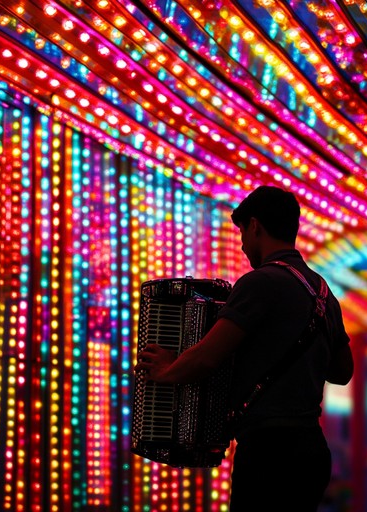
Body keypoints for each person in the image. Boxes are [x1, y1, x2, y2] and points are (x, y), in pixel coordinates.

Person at [135, 185, 354, 511]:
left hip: (270, 451)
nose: (241, 245)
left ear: (255, 226)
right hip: (311, 451)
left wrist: (168, 368)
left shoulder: (260, 282)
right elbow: (342, 372)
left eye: (241, 233)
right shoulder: (323, 293)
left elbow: (208, 357)